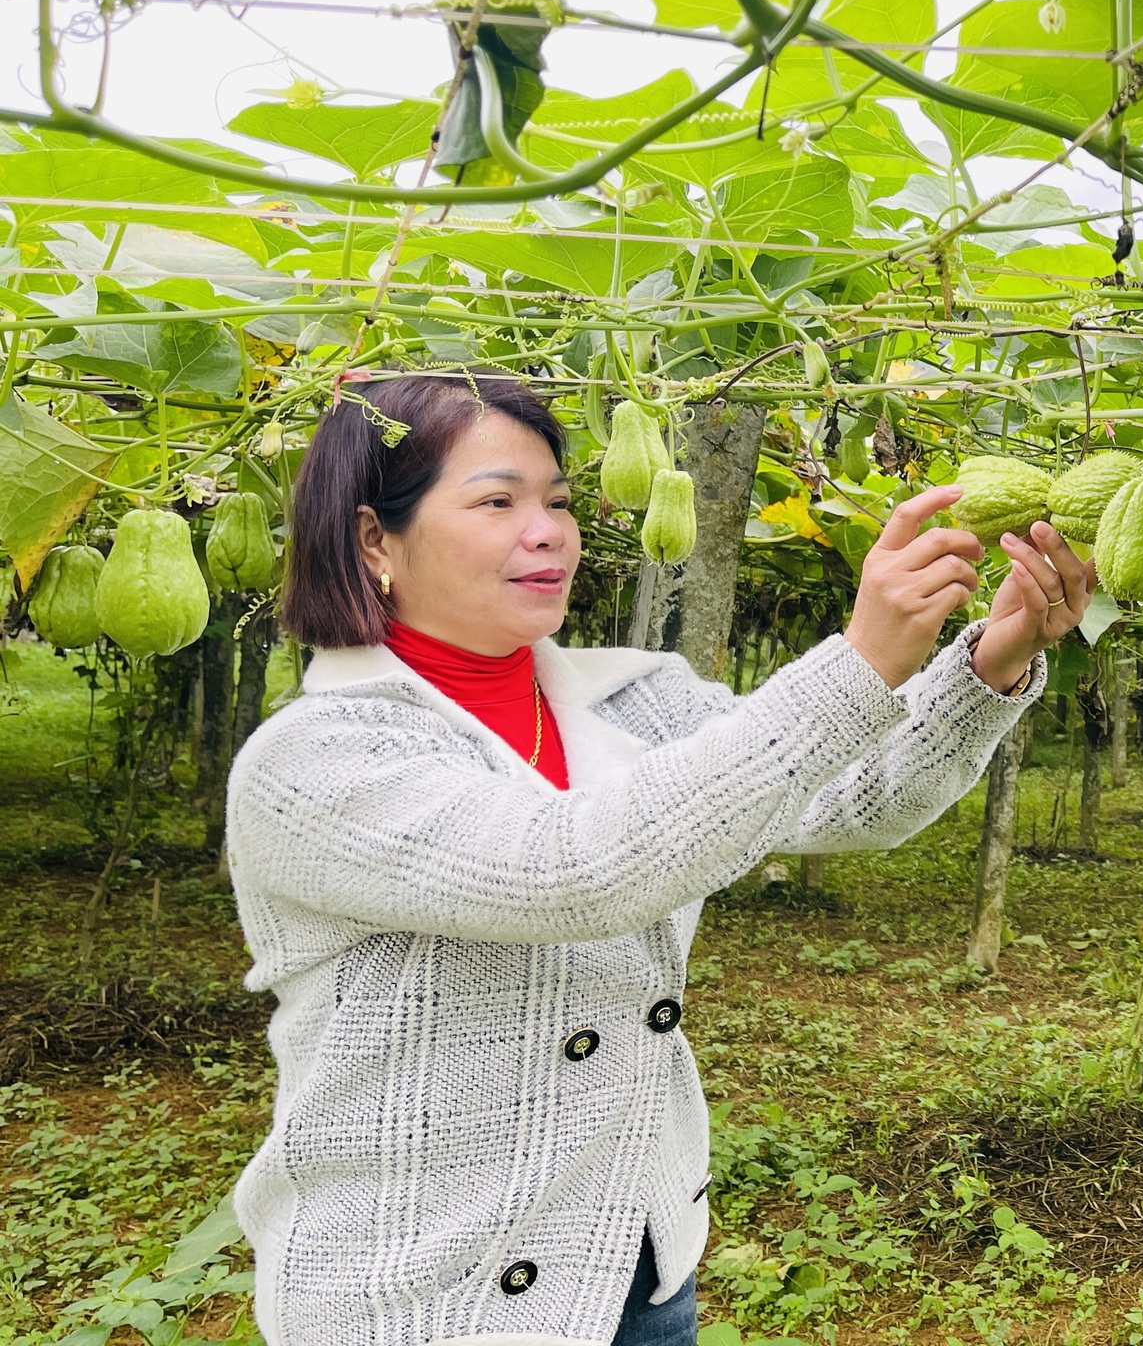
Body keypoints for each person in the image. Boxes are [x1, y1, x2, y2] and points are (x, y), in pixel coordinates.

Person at [224, 370, 1095, 1346]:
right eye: (497, 501)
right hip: (423, 1298)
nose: (547, 529)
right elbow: (570, 869)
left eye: (555, 500)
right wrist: (859, 661)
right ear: (374, 540)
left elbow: (852, 795)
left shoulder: (634, 701)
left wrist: (990, 661)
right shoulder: (312, 762)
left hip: (636, 1268)